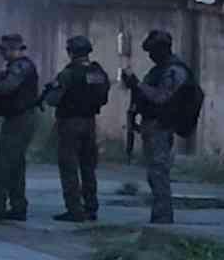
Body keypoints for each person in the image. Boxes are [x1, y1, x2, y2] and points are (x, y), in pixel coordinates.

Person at [122, 29, 189, 224]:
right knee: (154, 173)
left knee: (158, 173)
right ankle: (159, 216)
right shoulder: (159, 69)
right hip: (151, 125)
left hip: (161, 126)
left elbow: (162, 97)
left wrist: (137, 84)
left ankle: (163, 218)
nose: (150, 55)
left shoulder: (174, 71)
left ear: (162, 49)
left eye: (152, 51)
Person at [41, 35, 110, 222]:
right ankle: (91, 208)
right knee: (88, 166)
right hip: (90, 122)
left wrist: (49, 91)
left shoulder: (68, 74)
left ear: (70, 52)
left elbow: (52, 100)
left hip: (70, 122)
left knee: (69, 166)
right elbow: (103, 97)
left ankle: (74, 210)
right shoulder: (97, 72)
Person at [0, 33, 39, 221]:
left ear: (14, 49)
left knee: (1, 164)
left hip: (20, 120)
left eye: (4, 50)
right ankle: (18, 207)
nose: (2, 54)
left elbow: (7, 87)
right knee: (15, 165)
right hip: (17, 119)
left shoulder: (21, 66)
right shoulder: (17, 66)